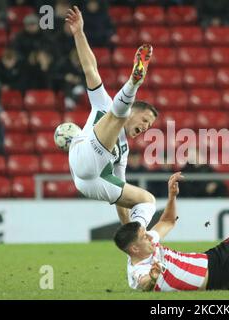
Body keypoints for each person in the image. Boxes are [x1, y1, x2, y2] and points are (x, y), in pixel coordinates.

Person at [64, 6, 158, 228]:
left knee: (148, 202)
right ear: (134, 110)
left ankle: (136, 242)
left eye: (149, 126)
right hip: (81, 155)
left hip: (88, 183)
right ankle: (134, 82)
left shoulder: (123, 152)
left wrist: (127, 229)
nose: (145, 127)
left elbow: (120, 191)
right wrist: (79, 33)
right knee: (115, 114)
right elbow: (90, 69)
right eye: (145, 120)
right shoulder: (103, 103)